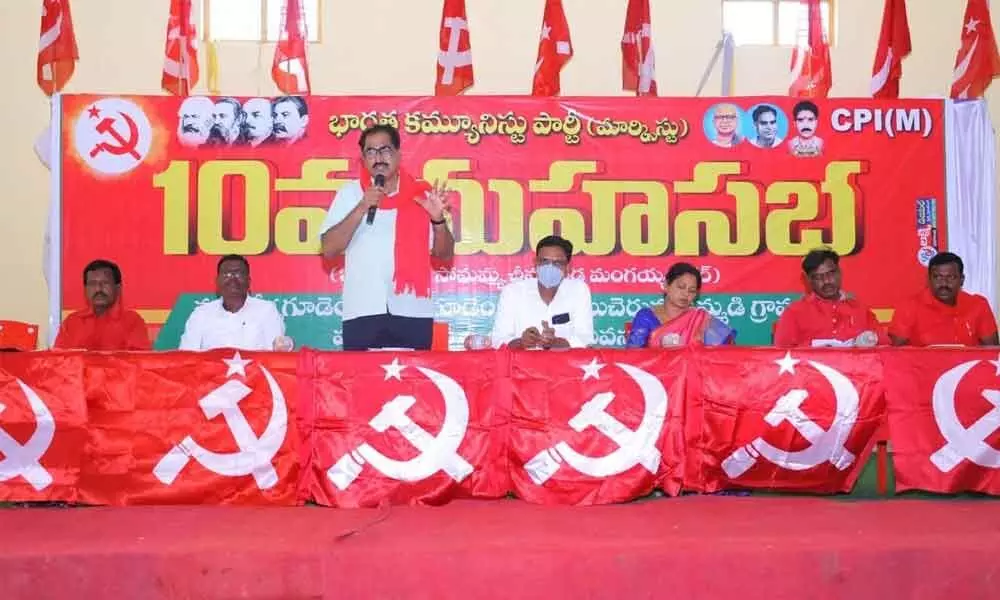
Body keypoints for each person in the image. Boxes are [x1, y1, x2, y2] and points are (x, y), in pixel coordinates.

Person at [319, 124, 454, 351]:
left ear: (399, 154)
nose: (378, 158)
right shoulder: (350, 193)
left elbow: (445, 255)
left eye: (385, 150)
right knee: (361, 383)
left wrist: (438, 220)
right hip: (362, 310)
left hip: (412, 310)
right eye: (371, 152)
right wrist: (362, 206)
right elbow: (329, 249)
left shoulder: (422, 196)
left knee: (413, 384)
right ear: (363, 159)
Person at [491, 235, 594, 349]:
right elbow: (498, 340)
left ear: (568, 267)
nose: (550, 267)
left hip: (564, 364)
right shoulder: (512, 292)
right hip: (522, 364)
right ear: (535, 263)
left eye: (557, 263)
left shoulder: (578, 290)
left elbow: (585, 339)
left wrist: (555, 343)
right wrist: (521, 342)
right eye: (544, 261)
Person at [773, 248, 887, 347]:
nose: (827, 281)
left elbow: (885, 344)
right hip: (810, 371)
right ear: (809, 281)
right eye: (818, 277)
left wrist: (871, 340)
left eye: (831, 273)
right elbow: (780, 353)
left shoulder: (860, 310)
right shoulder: (794, 312)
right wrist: (815, 348)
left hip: (856, 371)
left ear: (839, 272)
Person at [178, 255, 290, 351]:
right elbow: (188, 356)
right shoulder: (201, 314)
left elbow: (276, 355)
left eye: (238, 274)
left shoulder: (266, 310)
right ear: (217, 281)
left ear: (248, 281)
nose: (232, 279)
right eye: (226, 275)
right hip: (212, 376)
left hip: (255, 375)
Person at [889, 252, 999, 346]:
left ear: (962, 280)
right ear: (928, 279)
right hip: (922, 370)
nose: (944, 284)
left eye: (951, 277)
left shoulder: (978, 305)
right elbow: (897, 355)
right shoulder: (909, 306)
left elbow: (992, 353)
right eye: (937, 277)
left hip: (967, 369)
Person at [626, 262, 735, 347]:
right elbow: (635, 356)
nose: (685, 294)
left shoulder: (699, 320)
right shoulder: (646, 316)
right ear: (666, 285)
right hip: (655, 375)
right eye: (681, 287)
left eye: (691, 290)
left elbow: (727, 351)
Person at [54, 259, 150, 351]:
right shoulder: (71, 323)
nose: (98, 289)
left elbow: (138, 363)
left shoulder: (133, 322)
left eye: (105, 283)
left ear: (118, 288)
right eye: (92, 284)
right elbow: (58, 362)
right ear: (85, 289)